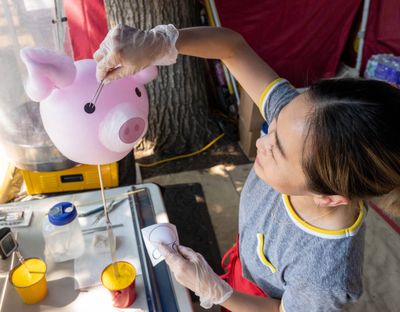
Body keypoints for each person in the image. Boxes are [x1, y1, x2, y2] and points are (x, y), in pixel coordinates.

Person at [94, 25, 400, 312]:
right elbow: (232, 49)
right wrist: (158, 42)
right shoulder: (300, 125)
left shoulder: (325, 274)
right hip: (244, 259)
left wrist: (221, 294)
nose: (263, 140)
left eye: (276, 150)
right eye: (273, 125)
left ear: (330, 196)